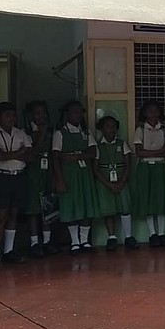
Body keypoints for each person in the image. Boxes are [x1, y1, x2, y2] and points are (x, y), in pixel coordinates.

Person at [52, 100, 99, 255]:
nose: (79, 114)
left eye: (80, 111)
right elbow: (56, 157)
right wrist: (59, 179)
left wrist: (76, 156)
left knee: (86, 205)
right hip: (69, 175)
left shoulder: (86, 133)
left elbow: (93, 153)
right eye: (75, 111)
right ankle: (75, 241)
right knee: (71, 205)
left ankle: (84, 240)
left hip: (84, 174)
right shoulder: (60, 133)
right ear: (67, 114)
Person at [133, 100, 165, 248]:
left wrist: (152, 153)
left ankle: (162, 234)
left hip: (160, 167)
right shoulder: (140, 130)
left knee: (160, 200)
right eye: (150, 111)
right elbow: (139, 152)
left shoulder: (164, 129)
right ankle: (152, 234)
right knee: (147, 200)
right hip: (145, 168)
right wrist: (160, 151)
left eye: (156, 111)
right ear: (145, 113)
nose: (153, 114)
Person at [92, 116, 137, 251]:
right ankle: (112, 237)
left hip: (121, 179)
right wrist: (108, 184)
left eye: (113, 126)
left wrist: (122, 181)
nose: (111, 129)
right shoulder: (98, 146)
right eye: (107, 126)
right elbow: (95, 168)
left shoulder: (122, 144)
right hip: (105, 182)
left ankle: (128, 237)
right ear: (101, 129)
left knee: (125, 208)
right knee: (108, 209)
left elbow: (128, 164)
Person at [23, 100, 59, 258]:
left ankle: (47, 241)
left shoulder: (52, 132)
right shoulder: (26, 133)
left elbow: (54, 154)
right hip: (32, 174)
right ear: (31, 115)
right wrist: (42, 134)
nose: (41, 116)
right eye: (37, 113)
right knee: (33, 209)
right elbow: (32, 154)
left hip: (47, 171)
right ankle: (34, 243)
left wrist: (54, 176)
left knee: (47, 208)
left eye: (43, 113)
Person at [0, 102, 32, 263]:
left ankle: (8, 250)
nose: (11, 118)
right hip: (2, 176)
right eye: (7, 115)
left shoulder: (20, 133)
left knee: (14, 213)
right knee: (1, 215)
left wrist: (10, 155)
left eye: (13, 115)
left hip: (18, 176)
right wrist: (19, 153)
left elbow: (30, 156)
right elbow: (0, 157)